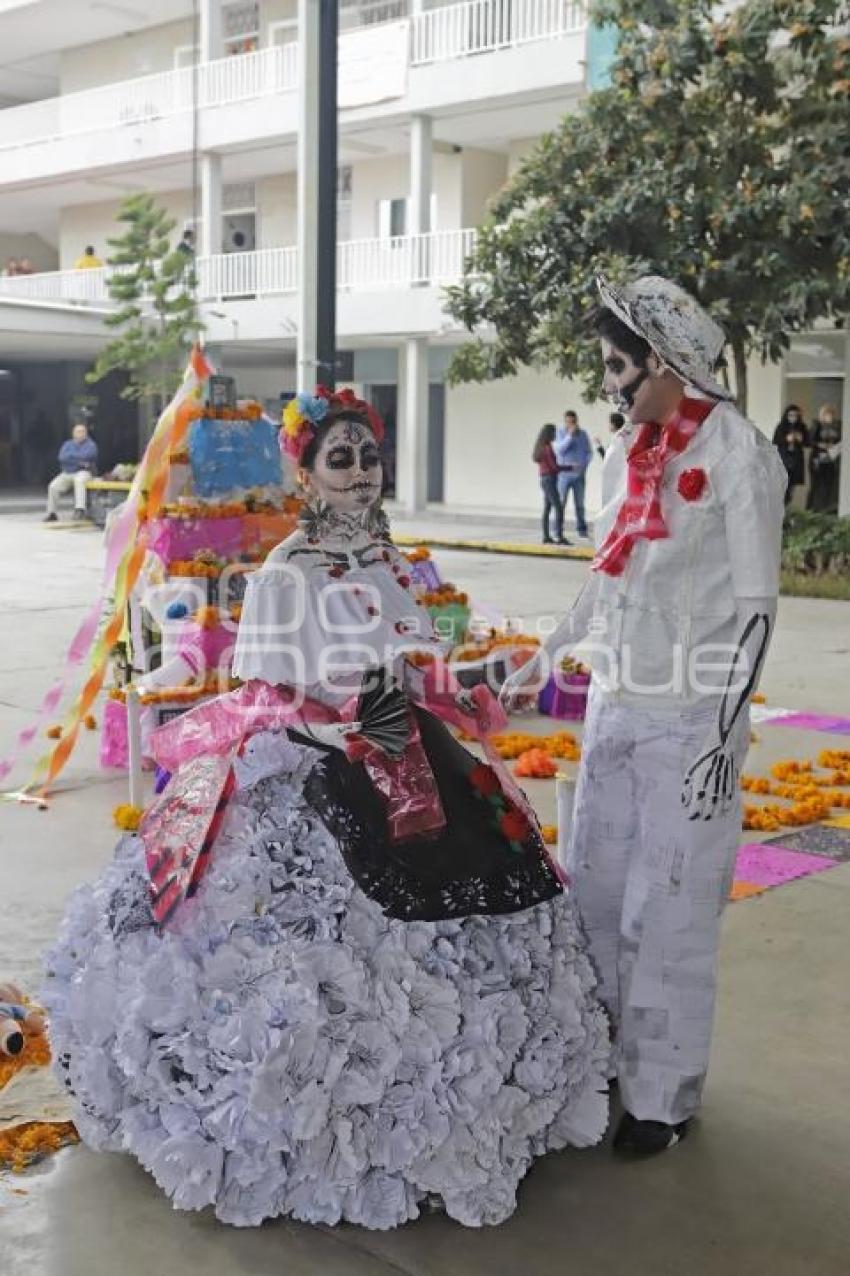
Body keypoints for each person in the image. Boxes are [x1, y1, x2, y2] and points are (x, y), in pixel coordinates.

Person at [42, 387, 609, 1229]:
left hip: (417, 756)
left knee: (490, 893)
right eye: (337, 459)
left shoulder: (394, 563)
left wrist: (456, 695)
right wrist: (352, 723)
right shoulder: (284, 573)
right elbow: (269, 691)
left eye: (367, 456)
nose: (357, 473)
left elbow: (419, 659)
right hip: (322, 764)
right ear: (301, 472)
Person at [502, 275, 786, 1158]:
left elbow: (757, 607)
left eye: (619, 366)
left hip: (692, 720)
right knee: (595, 893)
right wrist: (548, 656)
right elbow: (609, 573)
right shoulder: (631, 453)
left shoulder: (741, 458)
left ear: (663, 361)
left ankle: (663, 1099)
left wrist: (720, 735)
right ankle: (603, 1067)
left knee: (668, 912)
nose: (611, 384)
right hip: (617, 710)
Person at [43, 422, 98, 522]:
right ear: (73, 433)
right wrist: (80, 462)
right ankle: (52, 513)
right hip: (67, 472)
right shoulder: (67, 444)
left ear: (86, 433)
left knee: (79, 480)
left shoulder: (91, 445)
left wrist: (71, 458)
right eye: (78, 431)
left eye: (82, 431)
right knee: (53, 486)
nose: (80, 434)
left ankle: (80, 509)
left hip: (84, 472)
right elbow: (62, 458)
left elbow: (87, 456)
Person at [554, 410, 592, 537]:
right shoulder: (560, 432)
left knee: (580, 504)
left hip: (579, 475)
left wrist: (585, 466)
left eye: (573, 422)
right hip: (564, 475)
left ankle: (582, 530)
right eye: (568, 422)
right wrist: (569, 436)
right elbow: (560, 450)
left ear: (576, 421)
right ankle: (557, 530)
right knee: (561, 503)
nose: (571, 424)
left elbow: (589, 452)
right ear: (565, 422)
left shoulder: (583, 434)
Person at [533, 422, 570, 545]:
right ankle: (559, 536)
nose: (556, 434)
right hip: (549, 479)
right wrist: (570, 468)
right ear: (550, 433)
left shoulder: (541, 447)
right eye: (554, 432)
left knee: (548, 507)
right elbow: (554, 467)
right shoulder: (547, 448)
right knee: (558, 507)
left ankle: (546, 536)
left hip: (545, 479)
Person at [772, 405, 809, 506]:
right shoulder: (781, 426)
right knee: (782, 485)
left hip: (796, 459)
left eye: (795, 415)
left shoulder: (802, 427)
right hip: (784, 458)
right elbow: (775, 441)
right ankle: (780, 506)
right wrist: (786, 439)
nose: (793, 417)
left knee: (792, 486)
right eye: (790, 415)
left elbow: (808, 442)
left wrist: (800, 439)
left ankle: (787, 505)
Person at [807, 403, 842, 513]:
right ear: (822, 415)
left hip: (832, 459)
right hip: (818, 459)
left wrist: (834, 446)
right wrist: (821, 445)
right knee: (816, 485)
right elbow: (810, 441)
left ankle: (827, 509)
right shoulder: (816, 425)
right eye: (827, 414)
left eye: (831, 414)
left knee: (830, 485)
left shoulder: (838, 426)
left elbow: (841, 440)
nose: (829, 416)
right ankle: (812, 509)